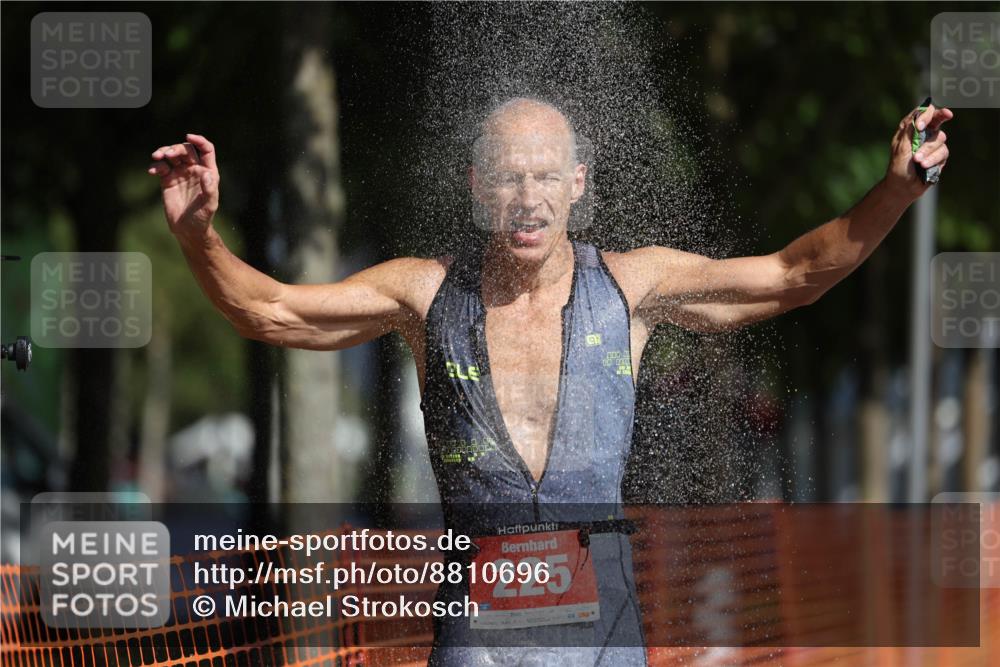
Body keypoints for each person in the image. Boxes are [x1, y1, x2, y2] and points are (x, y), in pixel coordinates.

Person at [149, 97, 952, 665]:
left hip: (602, 627)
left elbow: (792, 275)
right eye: (506, 177)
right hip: (477, 631)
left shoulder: (634, 287)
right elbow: (274, 312)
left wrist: (896, 190)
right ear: (475, 185)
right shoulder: (424, 294)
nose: (526, 200)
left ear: (577, 182)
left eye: (543, 177)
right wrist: (198, 239)